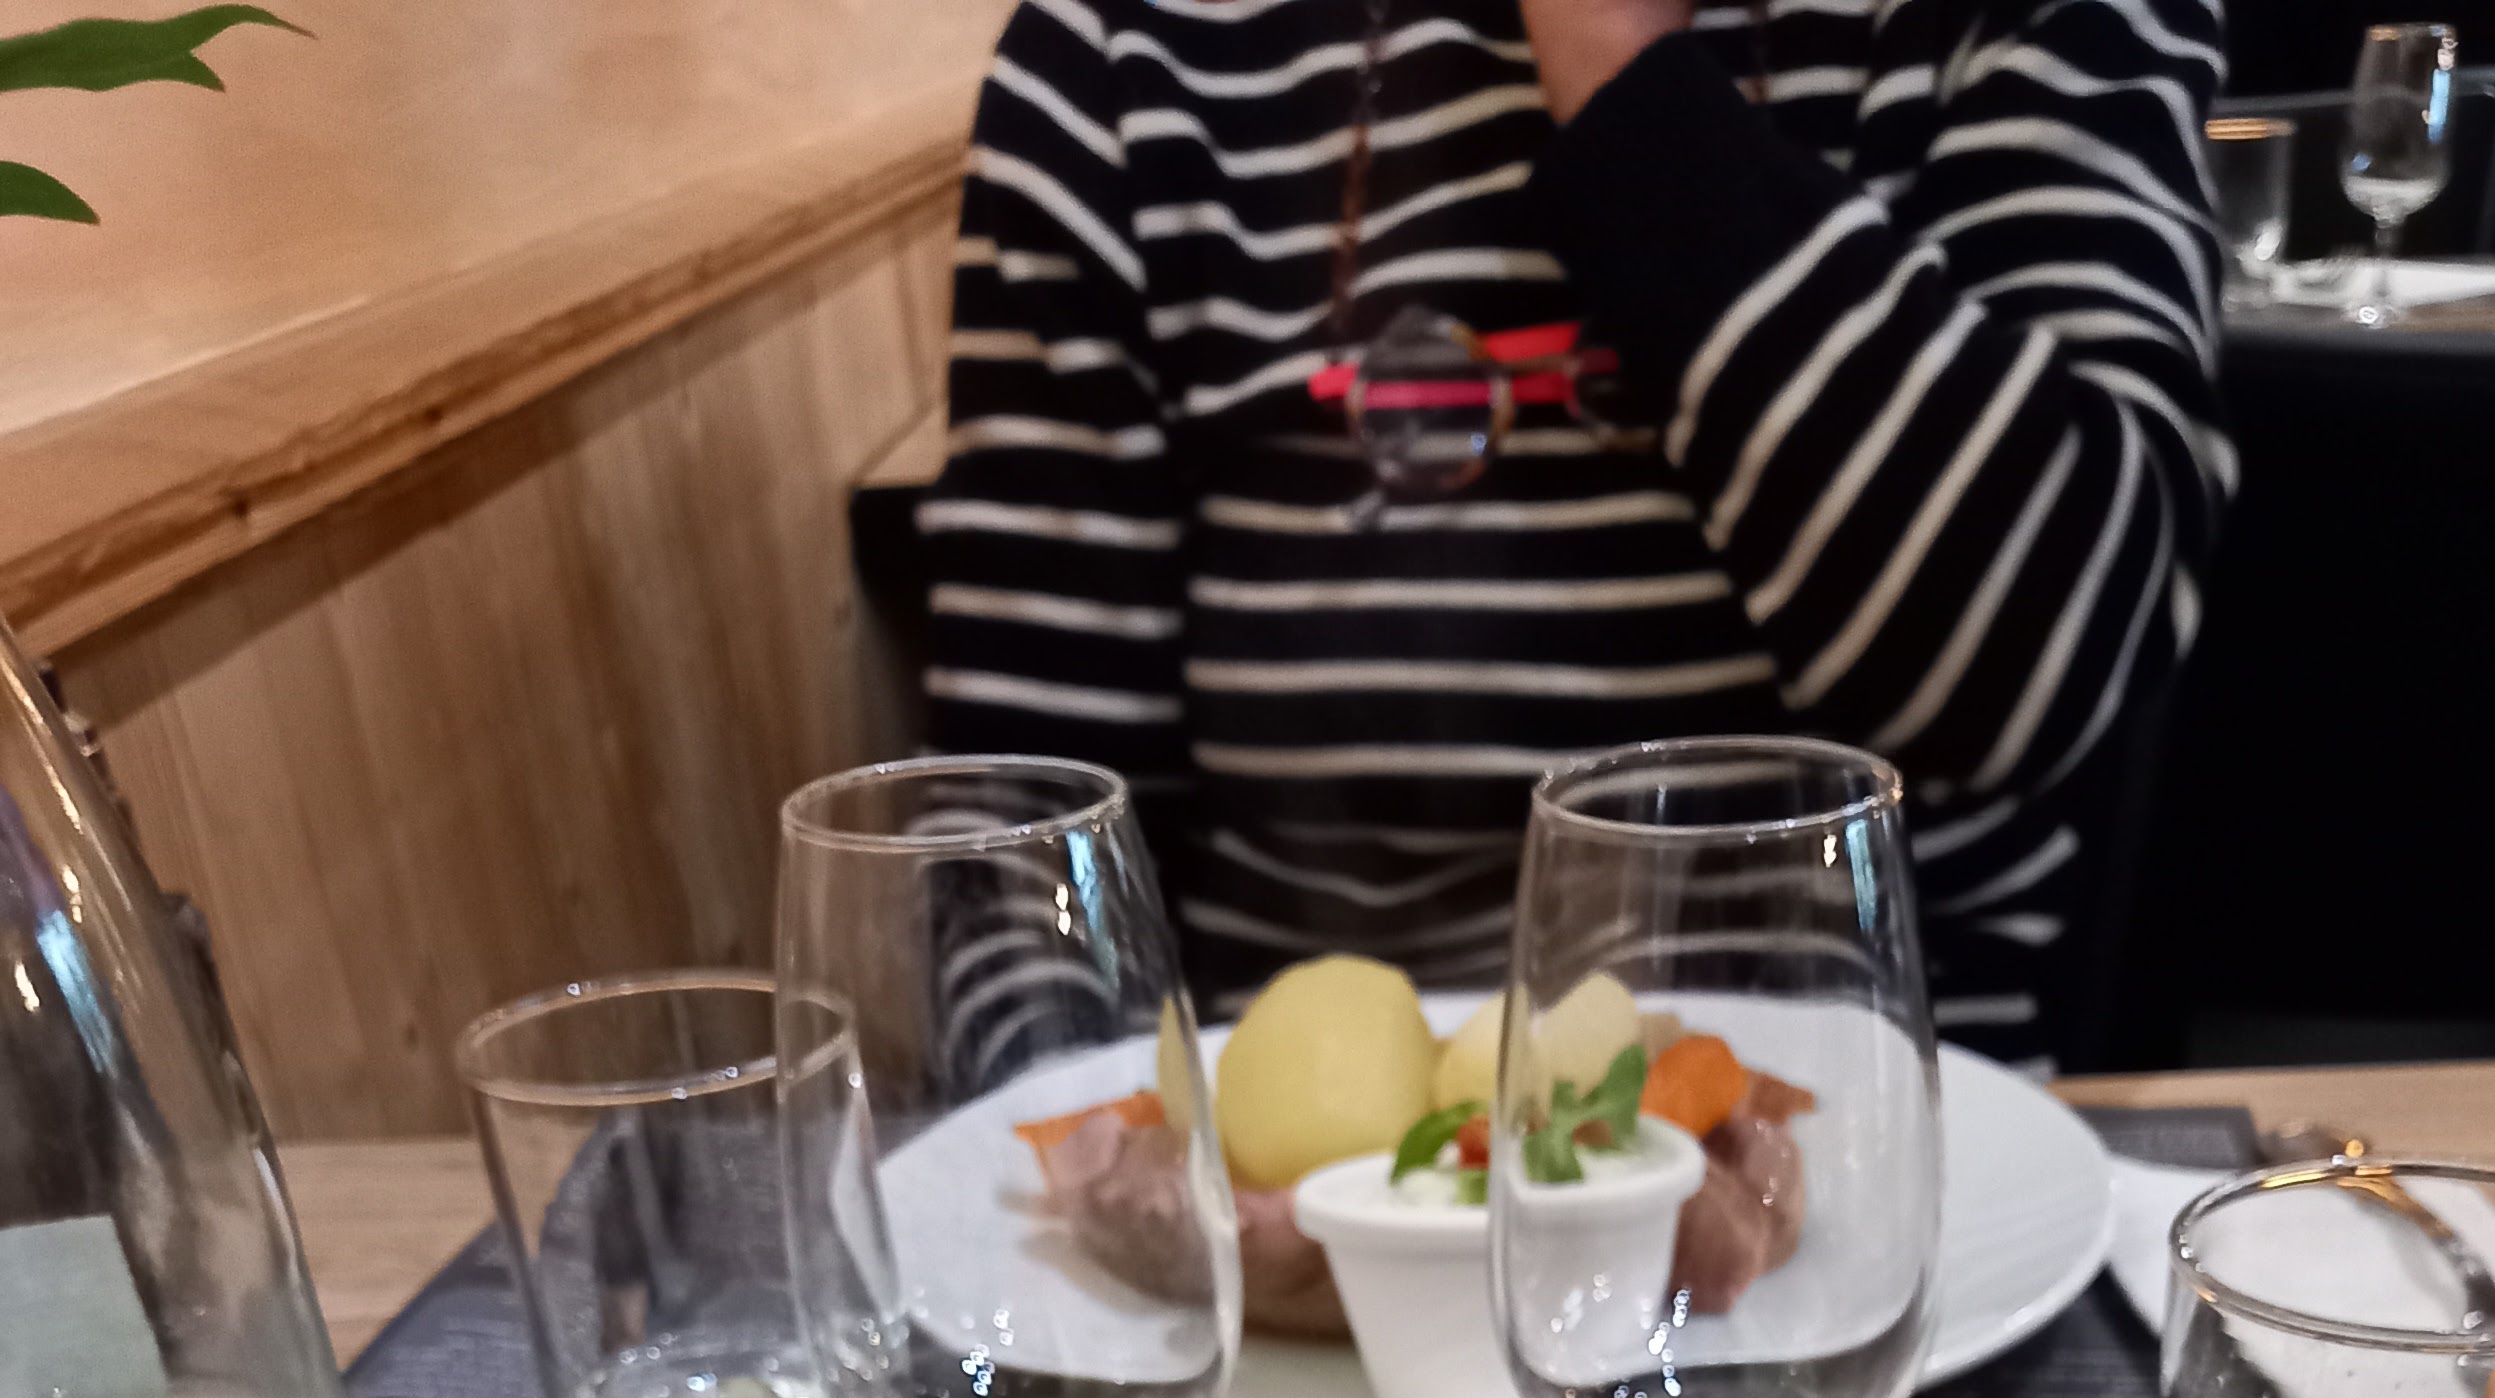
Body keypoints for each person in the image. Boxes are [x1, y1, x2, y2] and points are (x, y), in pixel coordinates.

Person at [923, 0, 2225, 1062]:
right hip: (1312, 1208)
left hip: (1887, 1154)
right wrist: (1113, 1172)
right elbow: (1023, 845)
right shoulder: (1123, 54)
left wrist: (1622, 72)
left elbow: (2034, 679)